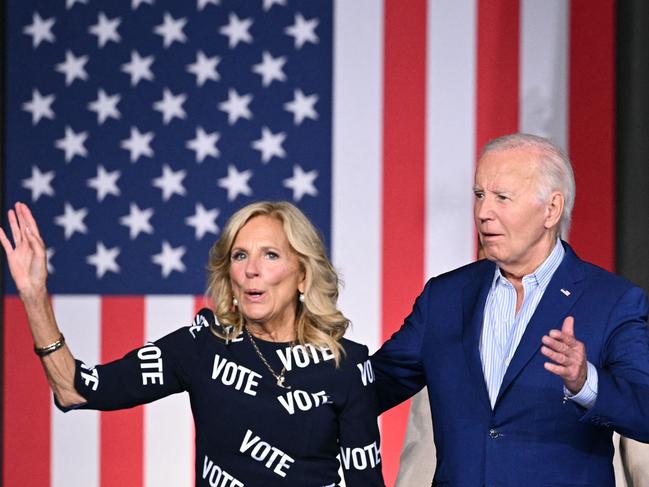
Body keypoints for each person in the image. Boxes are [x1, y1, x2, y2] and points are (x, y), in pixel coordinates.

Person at [0, 201, 385, 487]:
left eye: (270, 255)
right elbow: (74, 390)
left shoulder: (347, 366)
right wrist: (35, 296)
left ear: (303, 275)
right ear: (229, 274)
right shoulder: (202, 347)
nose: (251, 269)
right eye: (240, 255)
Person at [371, 133, 649, 486]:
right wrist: (301, 377)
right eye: (479, 195)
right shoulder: (445, 296)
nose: (483, 213)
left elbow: (645, 411)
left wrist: (585, 382)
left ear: (551, 209)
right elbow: (375, 385)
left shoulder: (612, 301)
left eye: (502, 198)